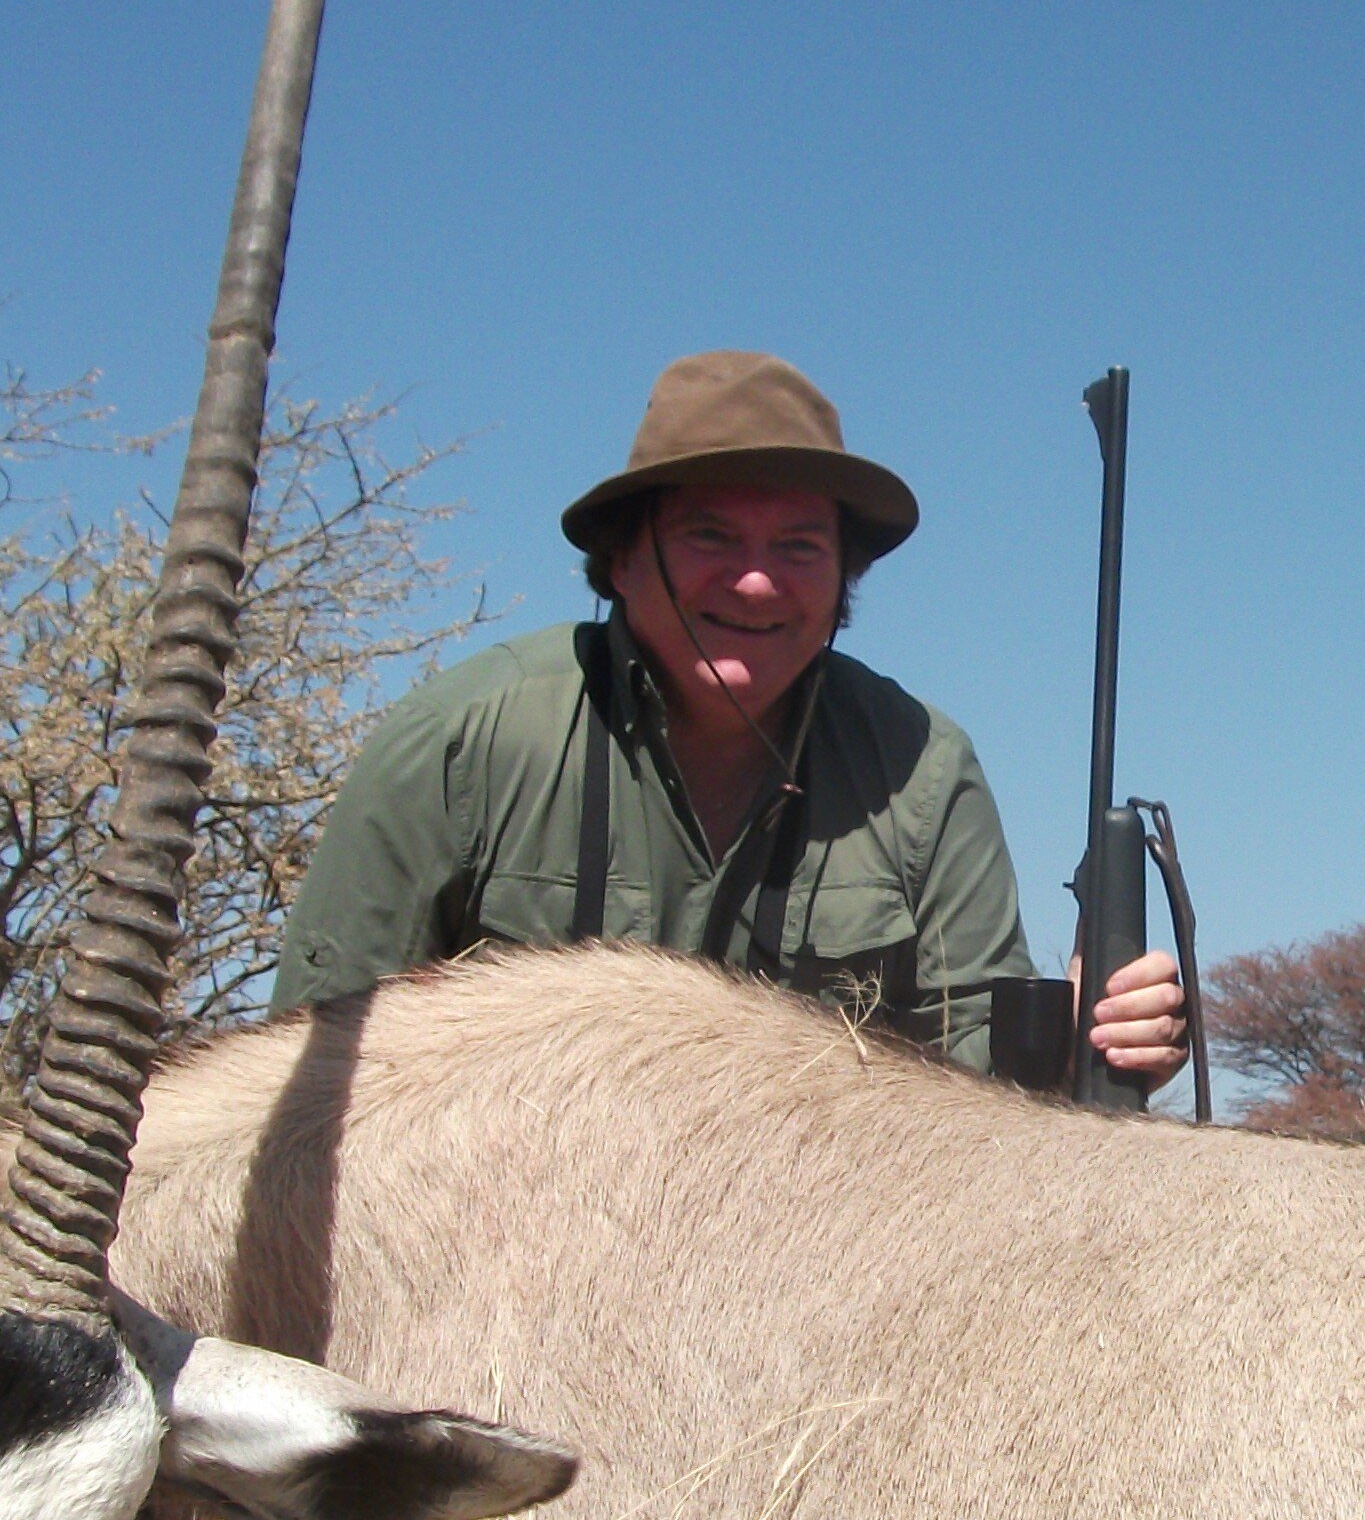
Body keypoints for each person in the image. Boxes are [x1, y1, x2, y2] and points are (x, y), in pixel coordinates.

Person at [268, 349, 1189, 1085]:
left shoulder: (926, 767)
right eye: (710, 536)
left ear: (842, 584)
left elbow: (976, 1081)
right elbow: (306, 1080)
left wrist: (1083, 1040)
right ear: (623, 562)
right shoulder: (456, 742)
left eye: (799, 547)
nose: (756, 580)